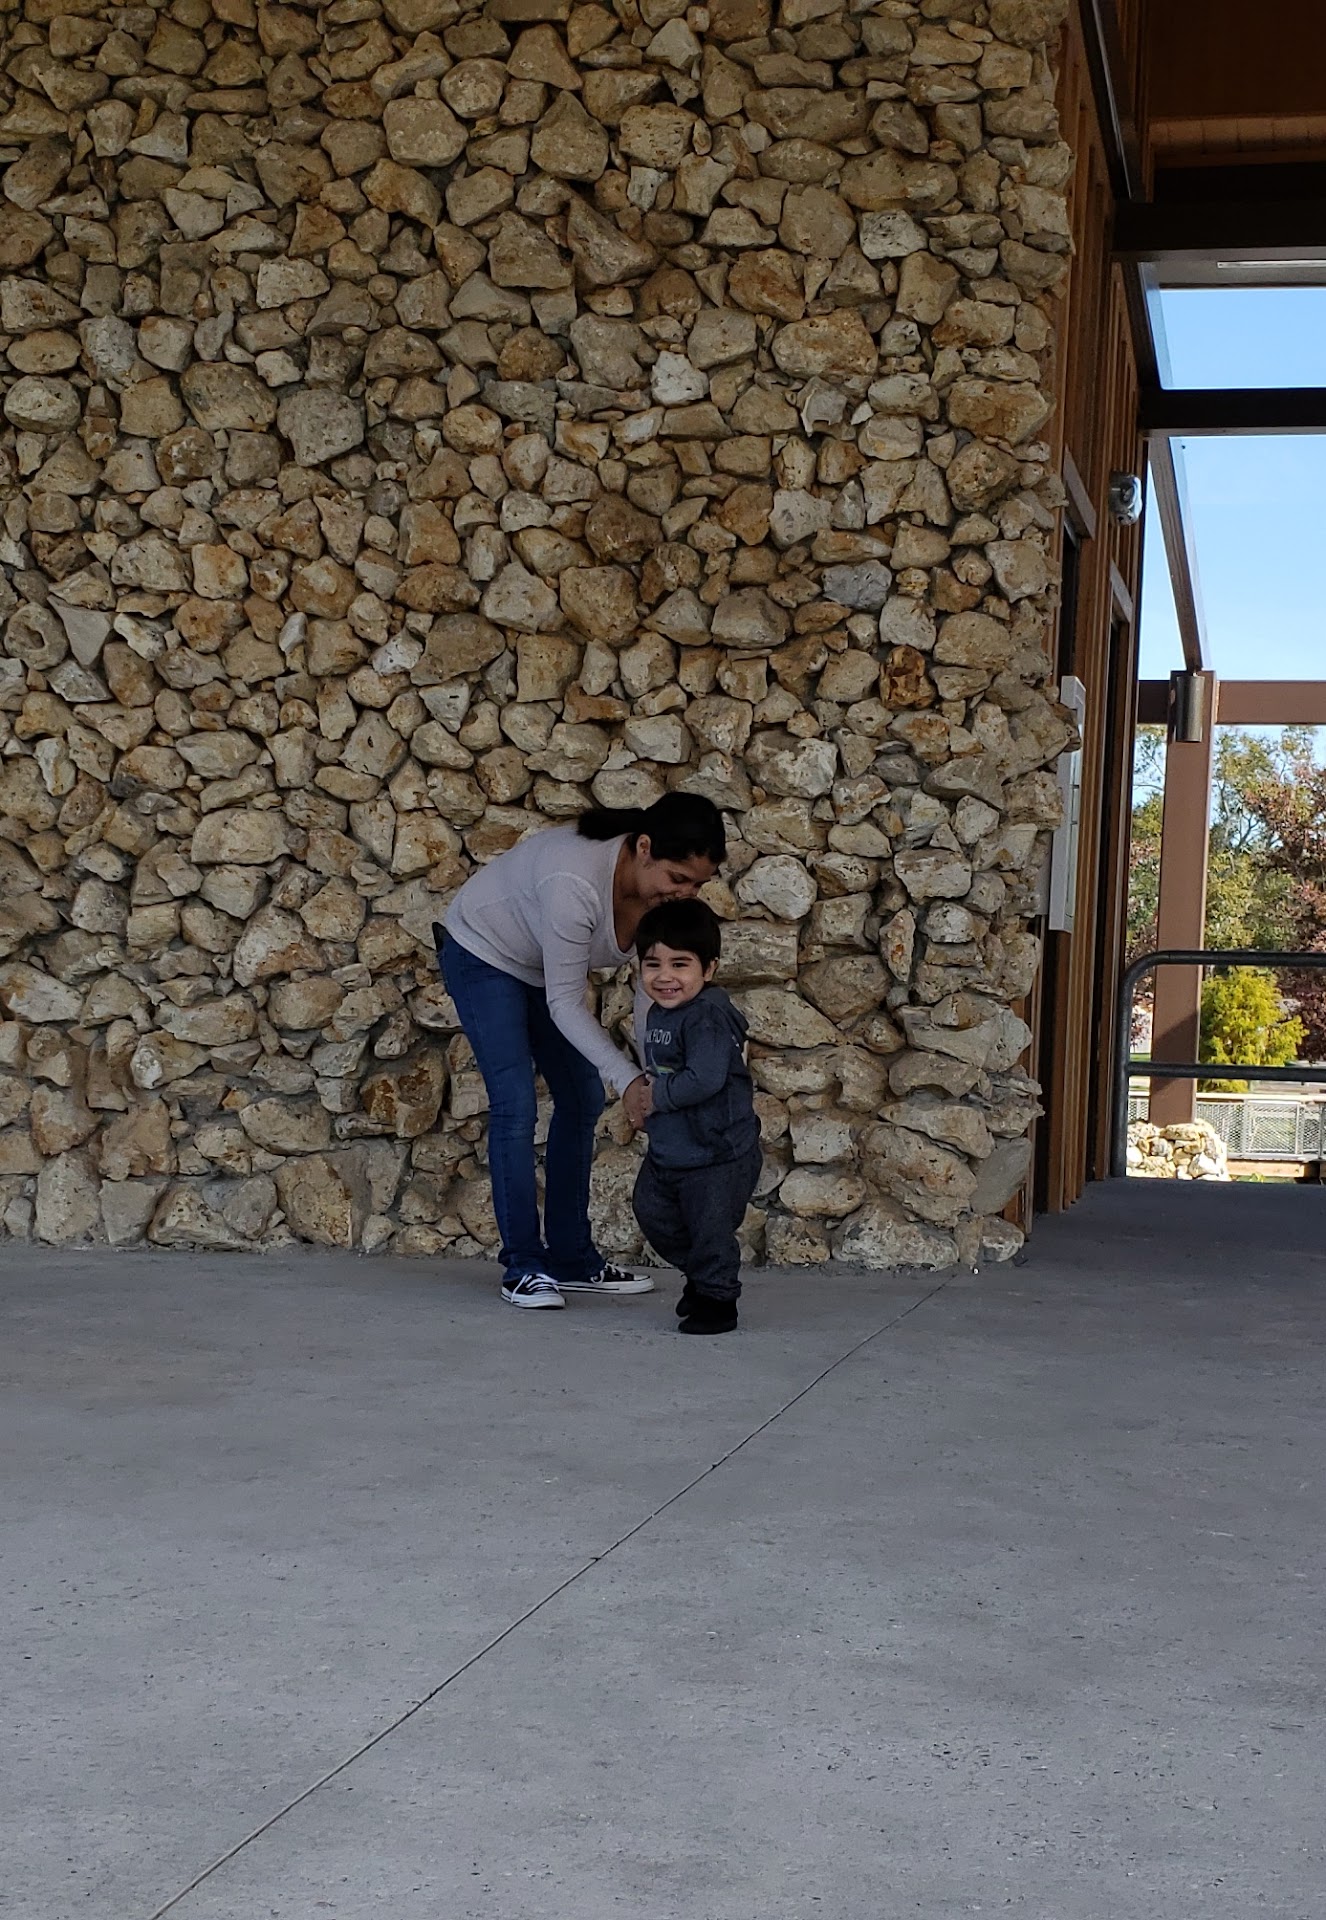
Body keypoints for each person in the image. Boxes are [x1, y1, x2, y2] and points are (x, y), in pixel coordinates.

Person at [437, 793, 726, 1310]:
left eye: (698, 885)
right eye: (679, 878)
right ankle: (523, 1266)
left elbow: (651, 993)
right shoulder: (572, 881)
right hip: (483, 952)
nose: (685, 894)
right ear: (644, 848)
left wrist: (654, 1079)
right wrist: (627, 1079)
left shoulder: (658, 900)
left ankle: (571, 1259)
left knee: (583, 1098)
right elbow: (565, 1003)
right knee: (515, 1105)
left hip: (540, 967)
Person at [631, 899, 762, 1336]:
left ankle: (718, 1301)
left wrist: (656, 1097)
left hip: (715, 1152)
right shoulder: (660, 1011)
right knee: (652, 1211)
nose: (664, 976)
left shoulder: (706, 1015)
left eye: (680, 964)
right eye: (653, 964)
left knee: (709, 1228)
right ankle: (706, 1278)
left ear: (709, 969)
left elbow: (705, 1078)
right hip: (672, 1148)